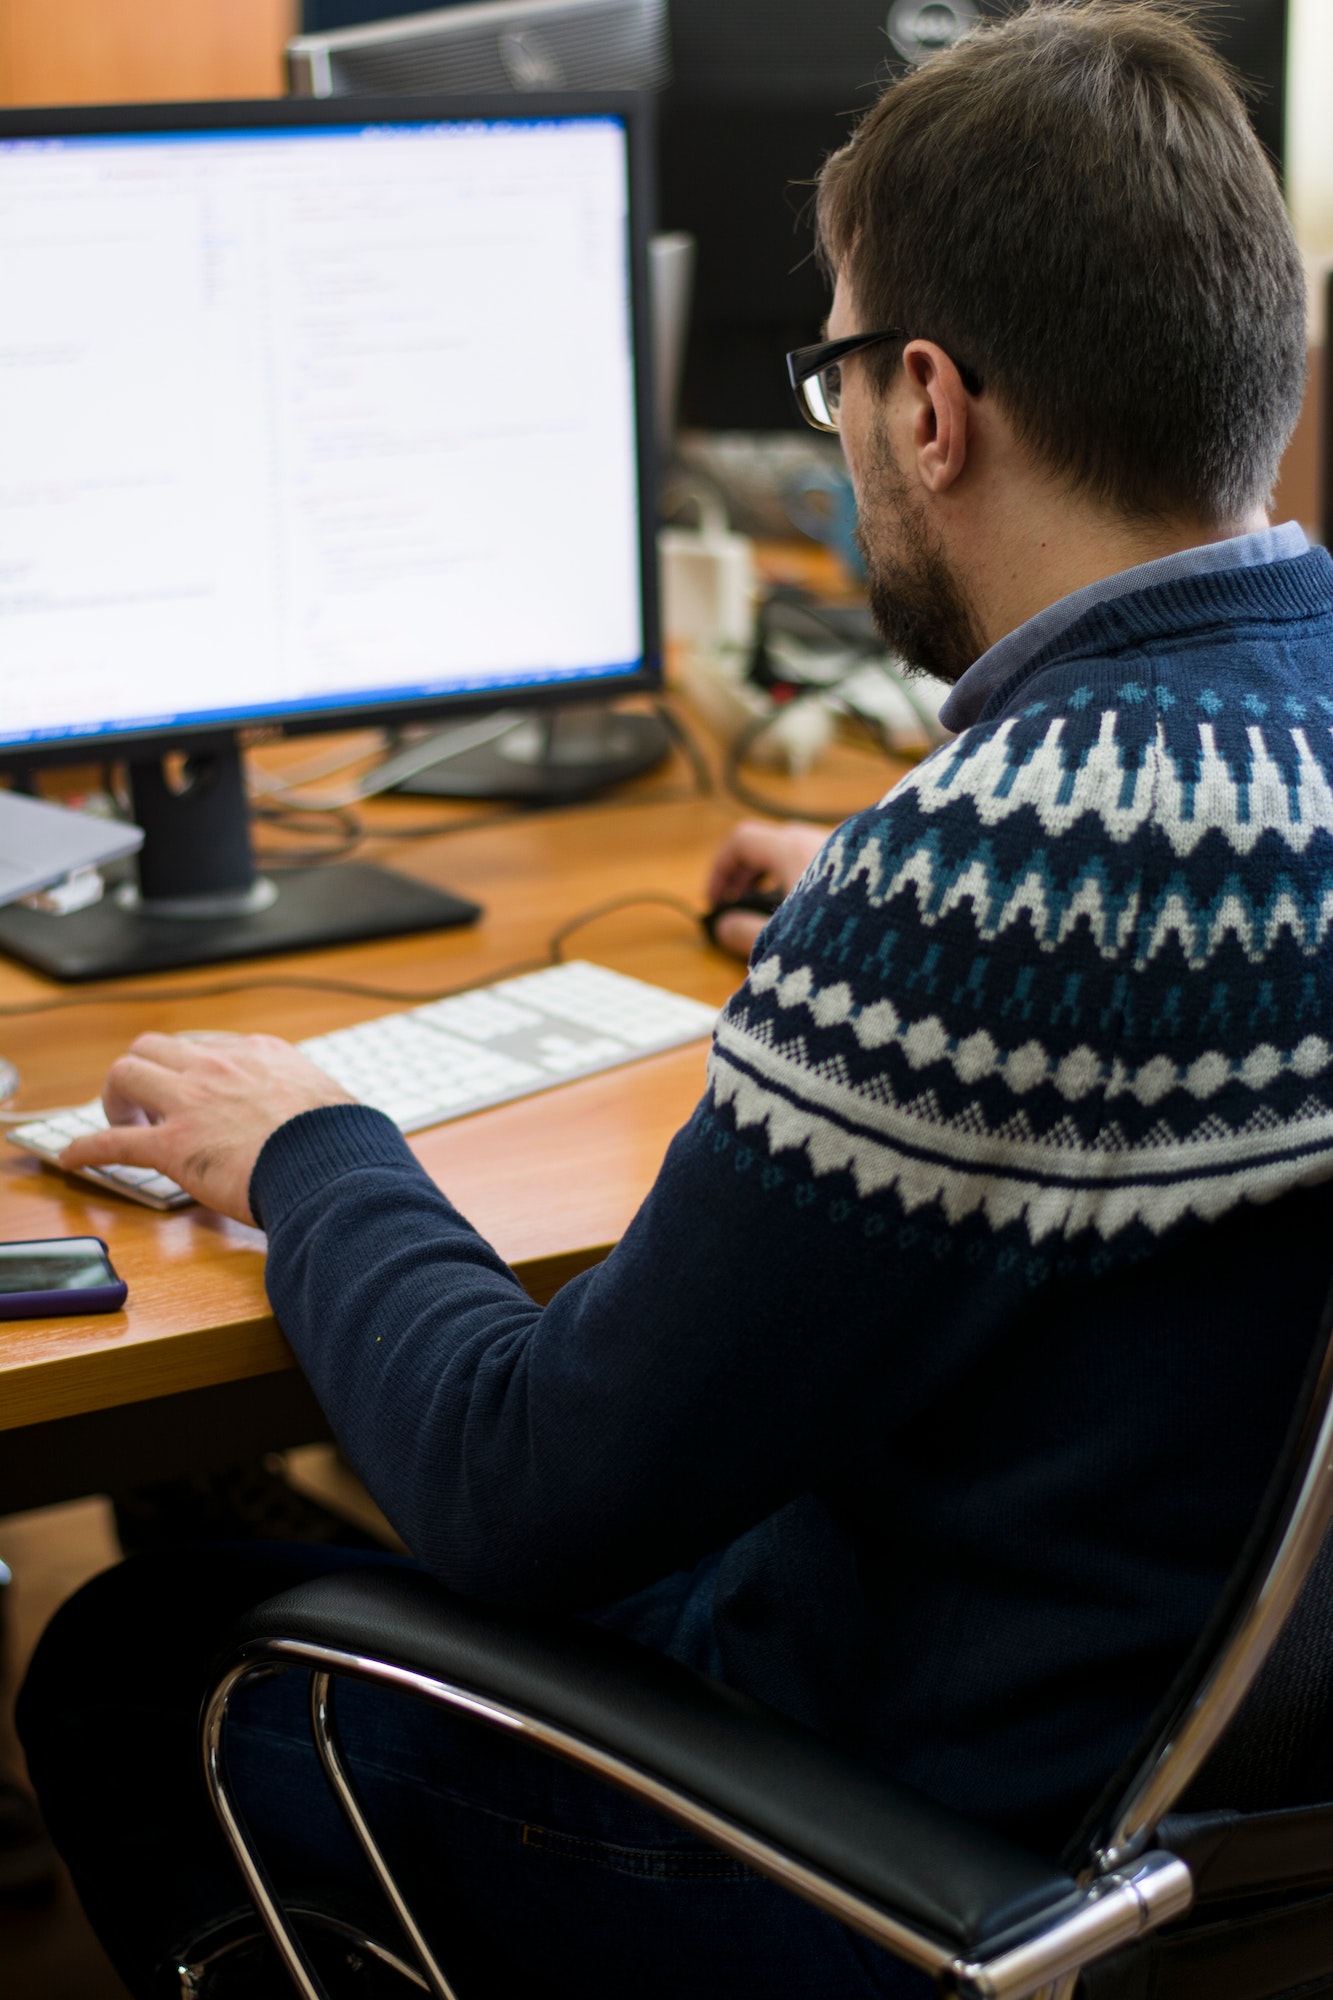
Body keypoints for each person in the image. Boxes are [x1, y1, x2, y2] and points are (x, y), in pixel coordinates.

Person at [18, 4, 1333, 1995]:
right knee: (241, 1502)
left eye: (831, 378)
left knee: (138, 1652)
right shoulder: (1199, 795)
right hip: (1204, 1804)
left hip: (886, 1869)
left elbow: (519, 1482)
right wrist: (886, 921)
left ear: (924, 404)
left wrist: (309, 1146)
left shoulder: (993, 881)